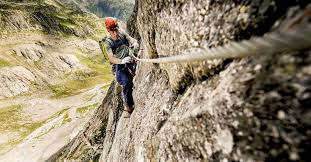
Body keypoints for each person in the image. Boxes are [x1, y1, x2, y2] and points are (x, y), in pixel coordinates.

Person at [101, 17, 139, 114]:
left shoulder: (121, 33)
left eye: (115, 30)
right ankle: (129, 105)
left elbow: (130, 38)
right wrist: (122, 61)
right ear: (108, 31)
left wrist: (134, 42)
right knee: (126, 82)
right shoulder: (108, 43)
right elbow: (111, 58)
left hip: (129, 56)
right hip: (119, 64)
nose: (115, 33)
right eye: (112, 31)